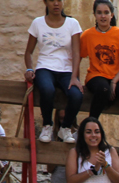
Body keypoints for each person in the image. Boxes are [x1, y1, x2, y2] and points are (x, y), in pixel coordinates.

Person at [78, 0, 119, 151]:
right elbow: (77, 57)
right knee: (103, 89)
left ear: (112, 15)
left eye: (106, 13)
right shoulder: (88, 35)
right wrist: (74, 78)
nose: (103, 16)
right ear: (94, 15)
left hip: (118, 75)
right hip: (96, 75)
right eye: (99, 13)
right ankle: (89, 128)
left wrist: (115, 81)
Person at [25, 0, 82, 145]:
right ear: (45, 2)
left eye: (59, 0)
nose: (56, 4)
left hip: (66, 70)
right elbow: (28, 52)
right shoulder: (37, 23)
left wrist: (75, 77)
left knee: (76, 95)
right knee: (47, 89)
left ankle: (65, 128)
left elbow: (76, 53)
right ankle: (47, 126)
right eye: (52, 0)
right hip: (45, 67)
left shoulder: (72, 23)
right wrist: (29, 69)